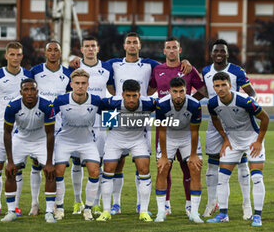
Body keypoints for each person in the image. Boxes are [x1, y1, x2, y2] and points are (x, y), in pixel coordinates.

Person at [70, 32, 192, 215]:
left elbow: (169, 66)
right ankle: (114, 204)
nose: (132, 45)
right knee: (113, 162)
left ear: (140, 46)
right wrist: (75, 61)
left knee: (141, 163)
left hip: (141, 113)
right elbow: (93, 63)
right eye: (129, 42)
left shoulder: (150, 64)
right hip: (116, 112)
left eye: (135, 42)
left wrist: (186, 62)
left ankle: (139, 205)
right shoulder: (113, 63)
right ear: (124, 46)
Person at [149, 37, 207, 216]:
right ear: (164, 51)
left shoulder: (188, 69)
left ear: (180, 50)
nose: (172, 50)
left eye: (175, 47)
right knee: (164, 167)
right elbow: (150, 90)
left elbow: (203, 89)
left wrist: (188, 104)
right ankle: (165, 206)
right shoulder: (157, 69)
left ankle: (190, 206)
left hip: (186, 127)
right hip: (165, 125)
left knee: (189, 167)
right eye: (168, 48)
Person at [202, 39, 257, 219]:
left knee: (242, 163)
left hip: (235, 124)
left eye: (222, 51)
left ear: (226, 53)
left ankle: (246, 204)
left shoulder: (236, 71)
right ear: (211, 54)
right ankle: (212, 202)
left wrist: (247, 108)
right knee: (212, 163)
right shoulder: (206, 71)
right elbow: (203, 94)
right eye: (216, 51)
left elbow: (251, 93)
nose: (219, 53)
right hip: (215, 121)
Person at [206, 72, 269, 227]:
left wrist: (259, 141)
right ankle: (223, 214)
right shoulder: (212, 103)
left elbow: (265, 118)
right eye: (217, 86)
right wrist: (225, 138)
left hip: (252, 140)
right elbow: (214, 119)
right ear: (213, 87)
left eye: (223, 85)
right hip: (233, 142)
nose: (220, 89)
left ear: (230, 85)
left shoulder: (244, 100)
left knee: (257, 178)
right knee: (222, 179)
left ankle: (257, 216)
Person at [0, 41, 32, 216]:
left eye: (18, 54)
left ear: (22, 56)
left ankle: (16, 206)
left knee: (16, 167)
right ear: (6, 56)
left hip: (21, 129)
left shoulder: (28, 75)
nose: (15, 57)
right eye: (12, 54)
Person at [96, 79, 157, 222]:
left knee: (144, 170)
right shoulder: (111, 104)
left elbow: (166, 105)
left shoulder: (148, 104)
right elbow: (97, 110)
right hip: (115, 139)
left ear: (139, 95)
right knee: (108, 171)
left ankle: (143, 211)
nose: (131, 99)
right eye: (128, 95)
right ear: (122, 94)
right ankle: (106, 211)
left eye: (134, 96)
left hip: (137, 140)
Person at [69, 36, 115, 216]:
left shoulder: (107, 68)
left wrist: (111, 121)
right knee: (77, 163)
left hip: (101, 120)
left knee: (99, 164)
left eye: (93, 46)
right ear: (81, 49)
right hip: (79, 121)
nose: (90, 49)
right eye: (86, 46)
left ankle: (95, 203)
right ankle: (76, 201)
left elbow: (113, 93)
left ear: (98, 48)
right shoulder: (74, 67)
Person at [0, 78, 56, 223]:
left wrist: (49, 162)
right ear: (21, 92)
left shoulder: (46, 105)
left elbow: (50, 133)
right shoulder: (12, 106)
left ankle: (49, 212)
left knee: (50, 172)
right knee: (10, 171)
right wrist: (10, 161)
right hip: (21, 139)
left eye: (33, 90)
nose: (29, 92)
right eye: (26, 89)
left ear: (37, 92)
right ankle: (11, 211)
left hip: (41, 139)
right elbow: (7, 133)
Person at [28, 40, 72, 216]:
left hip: (59, 125)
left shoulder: (68, 74)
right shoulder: (35, 72)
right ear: (45, 53)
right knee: (36, 165)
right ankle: (34, 203)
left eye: (56, 50)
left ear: (60, 53)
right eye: (50, 50)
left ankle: (53, 204)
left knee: (53, 165)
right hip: (38, 124)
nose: (53, 53)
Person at [52, 69, 101, 221]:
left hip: (87, 141)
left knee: (94, 171)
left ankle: (87, 208)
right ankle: (59, 207)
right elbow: (48, 119)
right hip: (64, 140)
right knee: (58, 171)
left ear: (88, 85)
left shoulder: (97, 100)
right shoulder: (60, 100)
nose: (80, 86)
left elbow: (109, 118)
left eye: (83, 83)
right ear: (71, 84)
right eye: (77, 83)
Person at [154, 77, 203, 223]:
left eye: (181, 91)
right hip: (168, 137)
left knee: (195, 167)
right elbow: (161, 131)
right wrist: (163, 156)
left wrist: (193, 155)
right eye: (175, 92)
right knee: (162, 168)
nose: (178, 95)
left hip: (187, 136)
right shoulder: (161, 105)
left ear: (186, 91)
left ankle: (194, 212)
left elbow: (195, 132)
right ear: (169, 91)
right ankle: (161, 211)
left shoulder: (195, 105)